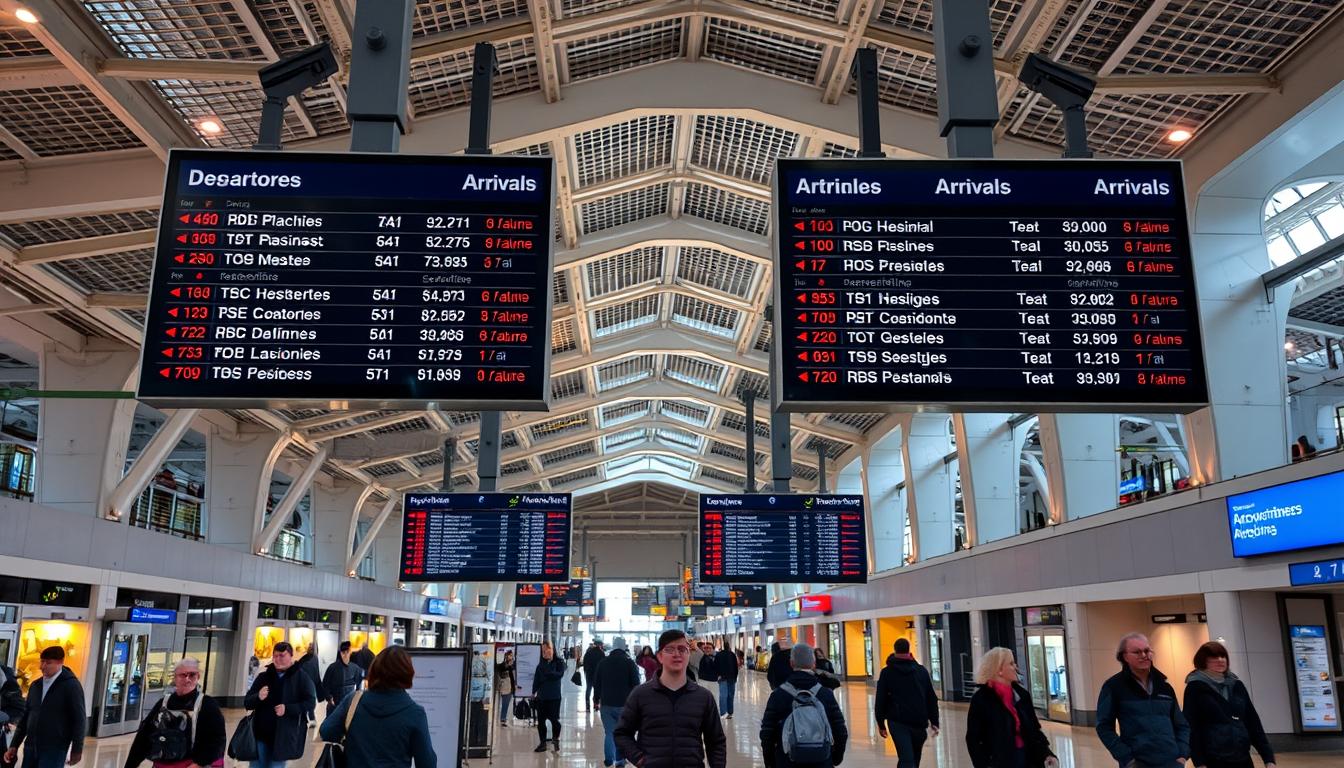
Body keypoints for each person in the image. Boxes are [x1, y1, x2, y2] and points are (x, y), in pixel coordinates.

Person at [614, 629, 726, 768]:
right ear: (660, 656)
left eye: (682, 649)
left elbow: (716, 741)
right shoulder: (641, 695)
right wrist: (640, 759)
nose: (676, 654)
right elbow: (622, 733)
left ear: (688, 655)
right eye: (670, 649)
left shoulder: (703, 697)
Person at [320, 646, 435, 768]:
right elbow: (427, 763)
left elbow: (326, 731)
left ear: (374, 670)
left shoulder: (354, 701)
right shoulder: (415, 713)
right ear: (408, 674)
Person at [1097, 632, 1190, 768]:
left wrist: (1182, 754)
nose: (1144, 656)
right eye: (1137, 652)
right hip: (1137, 763)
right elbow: (1103, 727)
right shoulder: (1114, 687)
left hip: (1171, 761)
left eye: (1147, 651)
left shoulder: (1164, 687)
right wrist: (1127, 758)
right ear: (1124, 656)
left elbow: (1181, 724)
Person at [1182, 641, 1276, 768]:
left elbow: (1253, 722)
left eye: (1223, 656)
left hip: (1242, 757)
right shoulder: (1195, 688)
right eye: (1214, 657)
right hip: (1213, 759)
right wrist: (1199, 762)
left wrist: (1268, 758)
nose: (1221, 660)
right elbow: (1192, 726)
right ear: (1203, 661)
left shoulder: (1237, 685)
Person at [124, 657, 226, 768]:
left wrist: (199, 763)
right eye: (183, 675)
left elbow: (218, 740)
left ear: (198, 677)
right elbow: (143, 737)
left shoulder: (207, 705)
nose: (187, 679)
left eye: (192, 675)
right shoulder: (163, 704)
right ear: (175, 677)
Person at [759, 643, 848, 768]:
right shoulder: (825, 694)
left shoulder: (778, 695)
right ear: (813, 664)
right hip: (821, 761)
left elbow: (767, 734)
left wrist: (771, 763)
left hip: (787, 762)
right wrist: (834, 759)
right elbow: (841, 731)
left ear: (791, 664)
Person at [965, 648, 1056, 768]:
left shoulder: (1022, 695)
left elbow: (1034, 730)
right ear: (999, 670)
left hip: (1026, 759)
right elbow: (974, 739)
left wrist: (1046, 754)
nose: (1015, 667)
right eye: (1011, 663)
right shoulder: (981, 699)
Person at [4, 647, 85, 768]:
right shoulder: (36, 685)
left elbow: (80, 719)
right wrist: (14, 745)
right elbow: (26, 717)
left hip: (54, 748)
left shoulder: (71, 686)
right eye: (42, 661)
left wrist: (77, 749)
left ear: (60, 662)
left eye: (48, 662)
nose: (42, 666)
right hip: (31, 746)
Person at [242, 641, 316, 768]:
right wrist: (258, 697)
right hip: (260, 736)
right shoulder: (263, 677)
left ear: (291, 656)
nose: (277, 659)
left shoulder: (301, 678)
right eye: (275, 656)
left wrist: (288, 709)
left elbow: (310, 702)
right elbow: (247, 702)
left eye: (282, 656)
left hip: (283, 738)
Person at [874, 639, 939, 768]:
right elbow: (931, 698)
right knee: (910, 759)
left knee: (909, 759)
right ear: (909, 650)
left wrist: (881, 723)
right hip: (918, 721)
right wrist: (934, 721)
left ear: (895, 650)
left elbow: (880, 699)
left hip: (898, 721)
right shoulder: (921, 671)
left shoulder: (887, 672)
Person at [593, 637, 642, 768]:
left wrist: (596, 700)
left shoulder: (603, 663)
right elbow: (636, 684)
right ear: (623, 647)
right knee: (623, 733)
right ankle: (620, 761)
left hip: (607, 704)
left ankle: (609, 760)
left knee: (609, 732)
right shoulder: (629, 663)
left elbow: (596, 683)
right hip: (625, 705)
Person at [532, 640, 566, 753]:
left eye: (547, 649)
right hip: (542, 697)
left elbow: (558, 675)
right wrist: (533, 692)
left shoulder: (559, 663)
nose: (545, 652)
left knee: (554, 720)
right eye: (543, 650)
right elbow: (537, 680)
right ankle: (542, 743)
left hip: (554, 697)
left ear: (553, 649)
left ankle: (555, 738)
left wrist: (547, 672)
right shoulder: (540, 665)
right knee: (541, 722)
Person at [320, 642, 364, 718]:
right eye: (343, 652)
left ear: (350, 652)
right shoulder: (332, 668)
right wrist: (329, 698)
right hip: (335, 704)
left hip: (348, 704)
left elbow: (359, 685)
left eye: (347, 652)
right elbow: (325, 684)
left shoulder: (355, 668)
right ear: (340, 653)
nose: (345, 655)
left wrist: (356, 700)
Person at [294, 646, 324, 726]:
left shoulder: (304, 660)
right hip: (312, 683)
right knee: (310, 701)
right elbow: (316, 672)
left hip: (305, 684)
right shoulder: (314, 658)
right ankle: (311, 719)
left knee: (306, 701)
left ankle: (309, 719)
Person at [714, 642, 739, 719]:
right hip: (731, 677)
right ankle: (729, 712)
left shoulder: (718, 654)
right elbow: (736, 667)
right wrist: (735, 677)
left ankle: (724, 713)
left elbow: (715, 665)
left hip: (723, 677)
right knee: (730, 695)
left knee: (723, 695)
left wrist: (718, 675)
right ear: (728, 647)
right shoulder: (732, 655)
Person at [495, 650, 516, 728]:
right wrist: (508, 665)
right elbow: (500, 670)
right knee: (505, 704)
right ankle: (503, 719)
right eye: (509, 655)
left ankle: (503, 719)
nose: (510, 657)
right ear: (506, 656)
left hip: (511, 687)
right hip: (505, 687)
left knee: (507, 704)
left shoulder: (513, 665)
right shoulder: (503, 665)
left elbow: (513, 677)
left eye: (511, 655)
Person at [583, 640, 607, 710]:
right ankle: (596, 705)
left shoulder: (588, 652)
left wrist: (586, 672)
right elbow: (603, 664)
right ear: (600, 645)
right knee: (597, 690)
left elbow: (585, 663)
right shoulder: (601, 653)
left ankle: (587, 705)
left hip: (589, 674)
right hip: (597, 675)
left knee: (588, 689)